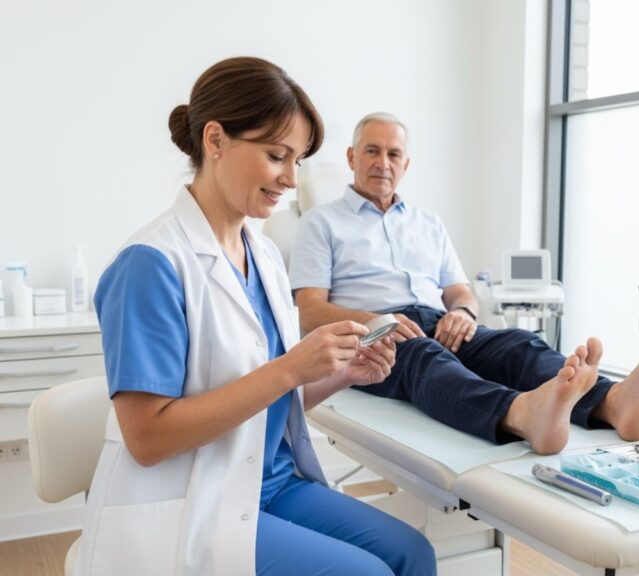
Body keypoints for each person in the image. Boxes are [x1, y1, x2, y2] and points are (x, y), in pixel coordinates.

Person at [80, 64, 436, 576]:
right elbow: (147, 439)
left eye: (296, 161)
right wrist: (291, 368)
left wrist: (340, 374)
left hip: (271, 483)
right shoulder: (151, 264)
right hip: (195, 499)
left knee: (413, 553)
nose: (291, 180)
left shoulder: (263, 255)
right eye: (276, 156)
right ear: (216, 139)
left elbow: (268, 405)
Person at [289, 111, 639, 456]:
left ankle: (615, 403)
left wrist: (463, 313)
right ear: (351, 157)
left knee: (517, 345)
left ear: (406, 164)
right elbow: (309, 309)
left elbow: (460, 293)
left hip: (438, 321)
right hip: (373, 338)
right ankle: (522, 414)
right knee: (422, 358)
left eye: (393, 153)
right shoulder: (320, 223)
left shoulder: (428, 223)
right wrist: (381, 320)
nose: (383, 162)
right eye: (372, 151)